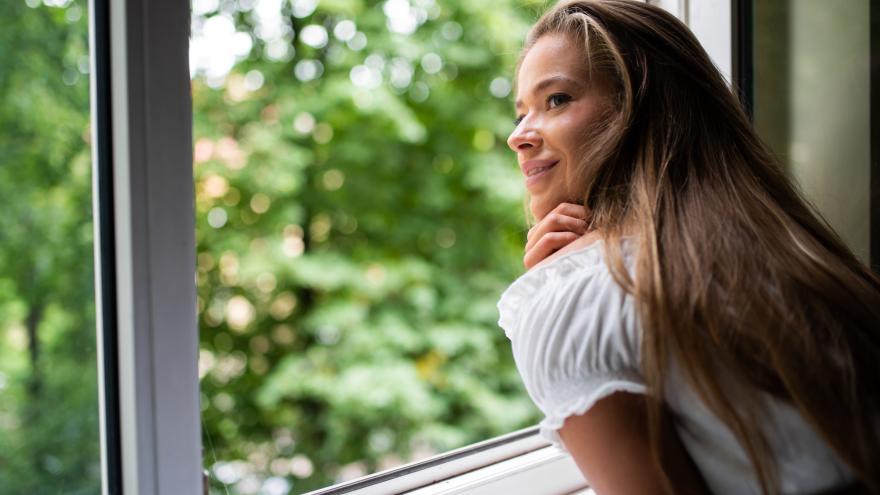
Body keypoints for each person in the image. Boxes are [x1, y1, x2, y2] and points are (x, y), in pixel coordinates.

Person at [497, 1, 880, 494]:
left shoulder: (575, 301)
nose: (518, 137)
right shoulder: (791, 255)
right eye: (521, 113)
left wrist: (561, 283)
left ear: (640, 110)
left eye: (556, 100)